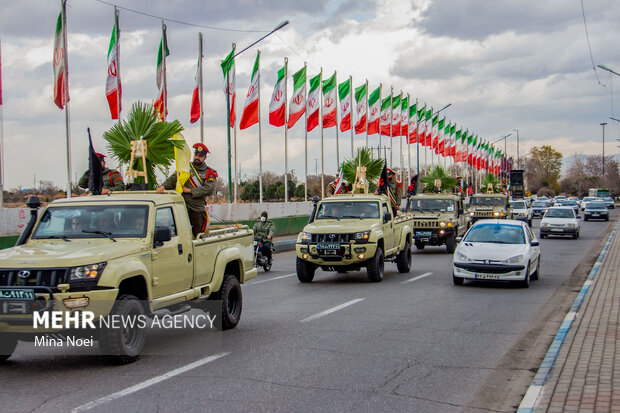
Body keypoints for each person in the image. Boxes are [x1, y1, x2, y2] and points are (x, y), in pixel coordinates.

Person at [156, 143, 217, 237]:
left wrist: (190, 191)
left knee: (198, 236)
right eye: (196, 155)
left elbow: (209, 189)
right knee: (181, 236)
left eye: (200, 156)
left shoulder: (209, 172)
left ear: (205, 158)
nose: (197, 157)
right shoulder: (184, 167)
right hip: (182, 207)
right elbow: (172, 180)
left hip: (197, 209)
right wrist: (163, 186)